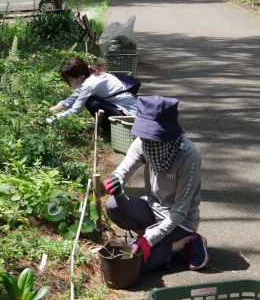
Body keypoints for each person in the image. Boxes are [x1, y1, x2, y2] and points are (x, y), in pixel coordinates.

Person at [102, 96, 208, 273]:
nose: (151, 143)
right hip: (153, 208)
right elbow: (123, 171)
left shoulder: (189, 155)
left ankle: (185, 241)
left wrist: (149, 239)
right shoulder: (142, 142)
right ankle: (159, 242)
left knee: (136, 263)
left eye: (157, 137)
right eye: (147, 136)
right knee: (113, 205)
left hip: (180, 221)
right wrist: (116, 182)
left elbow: (180, 212)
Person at [49, 57, 138, 140]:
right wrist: (50, 111)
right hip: (125, 111)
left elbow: (75, 111)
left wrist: (51, 119)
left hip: (128, 117)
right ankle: (111, 129)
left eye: (69, 79)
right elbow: (71, 99)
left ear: (81, 77)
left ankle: (112, 132)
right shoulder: (89, 73)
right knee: (90, 99)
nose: (68, 83)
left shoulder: (90, 84)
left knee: (91, 102)